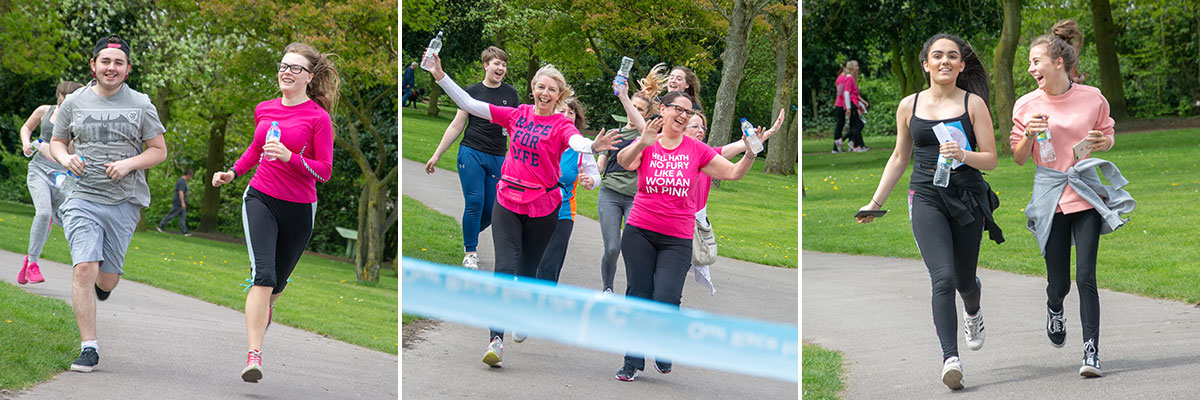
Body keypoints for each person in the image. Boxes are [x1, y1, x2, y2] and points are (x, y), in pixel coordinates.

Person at [426, 53, 621, 368]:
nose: (545, 94)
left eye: (552, 90)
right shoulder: (516, 115)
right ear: (533, 88)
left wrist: (592, 147)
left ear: (560, 96)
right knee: (504, 270)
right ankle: (495, 341)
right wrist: (439, 74)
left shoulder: (560, 124)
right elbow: (471, 104)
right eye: (541, 87)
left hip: (543, 210)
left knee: (527, 274)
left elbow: (575, 141)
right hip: (507, 202)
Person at [856, 33, 1002, 391]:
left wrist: (962, 156)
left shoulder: (973, 104)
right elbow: (898, 157)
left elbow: (992, 159)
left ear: (961, 65)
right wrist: (875, 203)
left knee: (965, 281)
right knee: (943, 278)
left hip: (966, 198)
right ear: (926, 64)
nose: (945, 61)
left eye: (952, 56)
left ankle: (973, 311)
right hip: (926, 197)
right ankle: (950, 359)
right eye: (937, 56)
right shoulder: (909, 105)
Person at [211, 42, 338, 383]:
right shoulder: (265, 108)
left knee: (275, 287)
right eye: (283, 65)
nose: (286, 71)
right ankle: (254, 354)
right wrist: (233, 173)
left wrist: (290, 157)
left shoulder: (318, 118)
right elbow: (256, 148)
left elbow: (324, 171)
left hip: (300, 208)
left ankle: (261, 312)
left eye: (295, 68)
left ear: (309, 77)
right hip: (261, 198)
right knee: (263, 276)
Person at [613, 91, 757, 382]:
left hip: (677, 237)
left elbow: (732, 173)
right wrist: (642, 141)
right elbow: (624, 161)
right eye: (677, 109)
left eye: (688, 112)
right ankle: (632, 359)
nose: (683, 115)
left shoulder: (696, 150)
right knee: (638, 294)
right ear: (662, 110)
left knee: (667, 297)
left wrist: (751, 152)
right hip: (639, 230)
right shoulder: (648, 140)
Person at [1010, 19, 1125, 378]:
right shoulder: (1026, 104)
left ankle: (1092, 353)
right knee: (1059, 281)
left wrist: (1103, 142)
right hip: (1050, 196)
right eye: (1029, 63)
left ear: (1058, 63)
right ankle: (1054, 306)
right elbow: (1017, 155)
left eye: (1035, 62)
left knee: (1086, 276)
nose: (1030, 69)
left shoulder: (1093, 97)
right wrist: (1028, 134)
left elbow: (1107, 135)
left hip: (1087, 192)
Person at [49, 36, 168, 373]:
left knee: (107, 279)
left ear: (127, 69)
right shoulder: (74, 102)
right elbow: (58, 142)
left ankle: (103, 287)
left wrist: (130, 164)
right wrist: (66, 157)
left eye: (118, 63)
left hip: (124, 201)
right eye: (105, 62)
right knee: (84, 267)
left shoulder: (142, 104)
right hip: (81, 195)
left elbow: (159, 151)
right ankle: (89, 347)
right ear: (94, 66)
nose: (111, 68)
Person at [424, 46, 520, 270]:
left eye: (504, 65)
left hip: (497, 155)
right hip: (472, 152)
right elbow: (457, 125)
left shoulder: (511, 94)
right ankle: (470, 253)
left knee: (491, 209)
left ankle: (470, 231)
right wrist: (437, 154)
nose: (501, 68)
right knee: (475, 201)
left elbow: (516, 127)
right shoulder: (471, 92)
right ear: (486, 65)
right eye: (497, 63)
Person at [684, 109, 785, 294]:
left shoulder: (707, 156)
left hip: (694, 228)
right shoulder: (670, 155)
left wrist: (762, 137)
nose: (701, 131)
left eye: (703, 127)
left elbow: (737, 151)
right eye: (695, 126)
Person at [595, 65, 659, 293]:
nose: (637, 112)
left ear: (648, 115)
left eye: (642, 110)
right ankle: (607, 289)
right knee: (612, 248)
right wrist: (591, 175)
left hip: (636, 199)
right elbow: (601, 165)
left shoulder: (651, 139)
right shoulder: (615, 134)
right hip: (610, 194)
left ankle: (637, 292)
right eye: (634, 107)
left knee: (635, 249)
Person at [16, 80, 83, 285]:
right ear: (58, 98)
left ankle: (30, 260)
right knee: (44, 213)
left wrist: (46, 146)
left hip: (65, 177)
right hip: (39, 171)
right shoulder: (44, 111)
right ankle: (33, 265)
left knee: (71, 220)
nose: (66, 108)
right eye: (63, 103)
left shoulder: (80, 121)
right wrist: (28, 143)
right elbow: (27, 127)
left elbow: (72, 153)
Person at [534, 98, 597, 286]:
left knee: (549, 263)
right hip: (534, 208)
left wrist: (591, 181)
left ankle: (543, 303)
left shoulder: (582, 146)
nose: (566, 116)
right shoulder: (539, 136)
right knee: (530, 259)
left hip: (563, 211)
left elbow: (595, 175)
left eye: (571, 112)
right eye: (562, 111)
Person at [833, 60, 869, 153]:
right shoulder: (845, 78)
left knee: (855, 125)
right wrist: (847, 107)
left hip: (849, 104)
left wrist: (861, 103)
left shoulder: (850, 78)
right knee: (852, 125)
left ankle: (852, 143)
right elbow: (842, 93)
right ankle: (847, 143)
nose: (858, 68)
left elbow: (854, 94)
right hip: (843, 105)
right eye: (856, 66)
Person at [156, 169, 193, 236]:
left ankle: (184, 231)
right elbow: (180, 192)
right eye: (191, 176)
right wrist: (182, 202)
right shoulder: (182, 181)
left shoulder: (182, 181)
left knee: (182, 217)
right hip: (179, 202)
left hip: (182, 202)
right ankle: (161, 225)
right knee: (172, 214)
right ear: (188, 175)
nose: (190, 178)